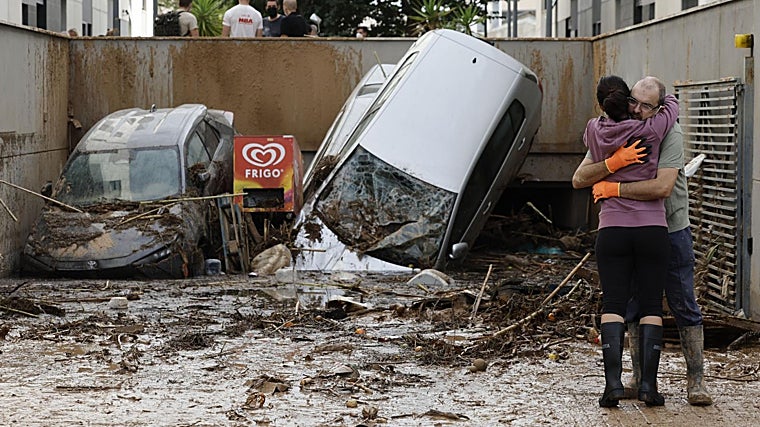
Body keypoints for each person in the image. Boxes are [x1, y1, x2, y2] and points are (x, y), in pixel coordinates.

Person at [573, 76, 713, 406]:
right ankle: (639, 378)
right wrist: (612, 162)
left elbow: (662, 187)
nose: (636, 109)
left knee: (681, 301)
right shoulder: (632, 125)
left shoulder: (668, 132)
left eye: (645, 105)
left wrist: (614, 187)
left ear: (659, 108)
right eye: (632, 101)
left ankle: (696, 380)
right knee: (637, 303)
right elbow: (580, 176)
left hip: (671, 226)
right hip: (645, 229)